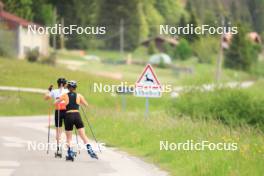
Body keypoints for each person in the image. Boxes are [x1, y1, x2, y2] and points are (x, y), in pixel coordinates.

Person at [59, 80, 98, 160]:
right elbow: (86, 104)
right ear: (75, 88)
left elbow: (57, 102)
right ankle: (90, 150)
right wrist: (79, 103)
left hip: (68, 115)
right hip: (77, 115)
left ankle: (70, 153)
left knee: (69, 138)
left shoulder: (64, 95)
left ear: (68, 88)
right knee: (83, 135)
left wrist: (62, 102)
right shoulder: (79, 95)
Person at [44, 78, 68, 157]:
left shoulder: (54, 91)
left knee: (58, 132)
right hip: (67, 111)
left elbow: (46, 98)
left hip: (58, 111)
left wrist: (49, 90)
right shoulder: (67, 91)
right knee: (68, 131)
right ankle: (69, 150)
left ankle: (58, 150)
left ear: (58, 84)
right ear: (63, 84)